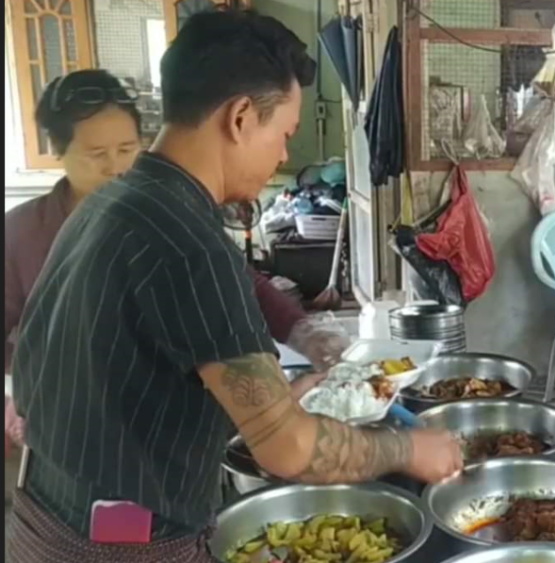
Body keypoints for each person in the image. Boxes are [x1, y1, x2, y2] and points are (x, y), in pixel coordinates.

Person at [9, 10, 462, 562]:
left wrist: (277, 394)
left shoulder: (110, 202)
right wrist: (409, 449)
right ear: (242, 116)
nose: (282, 155)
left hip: (40, 519)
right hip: (120, 546)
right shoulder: (189, 243)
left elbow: (131, 374)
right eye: (285, 134)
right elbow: (289, 451)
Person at [4, 69, 347, 453]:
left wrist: (303, 332)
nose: (116, 166)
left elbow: (232, 277)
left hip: (160, 435)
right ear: (58, 149)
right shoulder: (21, 233)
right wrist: (11, 405)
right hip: (64, 437)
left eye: (127, 148)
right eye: (97, 154)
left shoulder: (162, 216)